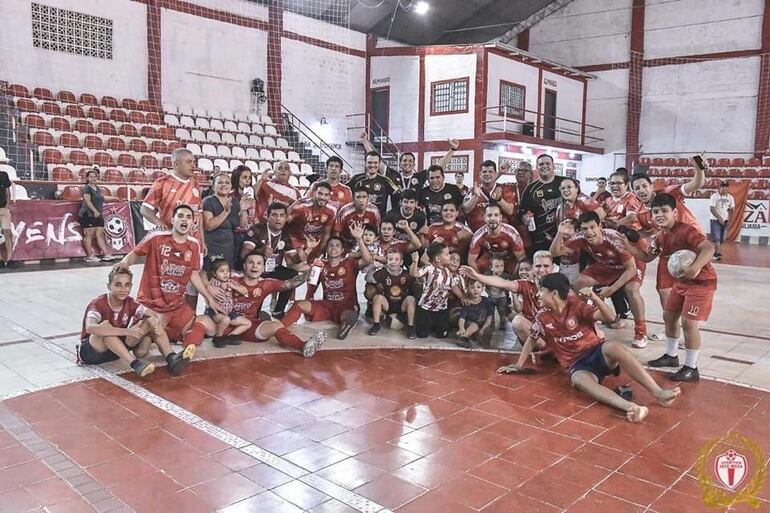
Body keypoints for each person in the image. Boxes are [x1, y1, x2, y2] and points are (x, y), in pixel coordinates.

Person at [497, 273, 681, 423]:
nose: (537, 295)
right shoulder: (542, 316)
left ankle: (659, 393)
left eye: (541, 290)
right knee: (578, 380)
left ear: (553, 293)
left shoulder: (575, 305)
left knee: (614, 347)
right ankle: (632, 408)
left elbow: (608, 317)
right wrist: (519, 364)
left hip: (596, 351)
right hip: (578, 364)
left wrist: (594, 297)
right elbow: (531, 339)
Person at [623, 193, 718, 382]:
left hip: (701, 282)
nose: (659, 215)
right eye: (655, 211)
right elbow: (647, 257)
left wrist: (695, 267)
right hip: (682, 282)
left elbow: (709, 248)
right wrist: (627, 246)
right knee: (669, 316)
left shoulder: (686, 230)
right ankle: (671, 356)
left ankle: (692, 367)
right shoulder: (660, 236)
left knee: (689, 323)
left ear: (674, 212)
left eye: (664, 211)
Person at [116, 204, 221, 347]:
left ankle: (177, 347)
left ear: (192, 223)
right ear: (172, 220)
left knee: (209, 326)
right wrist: (123, 264)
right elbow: (135, 254)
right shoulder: (156, 238)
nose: (184, 220)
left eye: (189, 217)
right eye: (180, 216)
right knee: (136, 345)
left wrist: (208, 297)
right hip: (150, 304)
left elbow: (193, 274)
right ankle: (153, 332)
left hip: (175, 306)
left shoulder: (194, 245)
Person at [550, 211, 648, 348]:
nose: (589, 232)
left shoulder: (614, 239)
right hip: (607, 265)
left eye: (592, 227)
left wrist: (611, 289)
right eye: (585, 229)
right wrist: (560, 233)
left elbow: (631, 269)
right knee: (579, 283)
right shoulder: (580, 238)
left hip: (630, 265)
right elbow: (554, 252)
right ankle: (588, 321)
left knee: (632, 290)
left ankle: (641, 332)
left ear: (599, 226)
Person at [78, 266, 195, 376]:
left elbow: (151, 314)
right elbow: (90, 327)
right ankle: (136, 364)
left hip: (114, 351)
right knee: (105, 327)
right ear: (109, 286)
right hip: (91, 352)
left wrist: (156, 323)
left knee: (150, 321)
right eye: (118, 285)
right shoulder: (98, 303)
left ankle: (171, 358)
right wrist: (127, 332)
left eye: (127, 285)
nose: (123, 289)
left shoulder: (130, 302)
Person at [233, 251, 326, 357]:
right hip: (227, 323)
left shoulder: (266, 284)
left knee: (276, 325)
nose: (255, 266)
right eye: (251, 262)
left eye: (259, 263)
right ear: (244, 266)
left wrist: (309, 273)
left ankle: (303, 346)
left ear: (264, 268)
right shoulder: (232, 281)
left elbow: (290, 283)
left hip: (248, 326)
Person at [294, 223, 373, 339]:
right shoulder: (320, 264)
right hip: (327, 305)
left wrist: (359, 239)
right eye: (331, 245)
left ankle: (345, 327)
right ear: (327, 249)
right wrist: (309, 249)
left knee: (348, 315)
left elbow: (368, 260)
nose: (334, 248)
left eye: (337, 246)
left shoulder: (349, 263)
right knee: (299, 304)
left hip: (346, 305)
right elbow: (299, 269)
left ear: (342, 250)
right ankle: (279, 327)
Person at [461, 250, 555, 346]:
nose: (542, 270)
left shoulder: (560, 286)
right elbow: (502, 282)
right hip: (535, 334)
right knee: (518, 321)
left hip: (554, 334)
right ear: (533, 268)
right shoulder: (525, 285)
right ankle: (545, 349)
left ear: (552, 267)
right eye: (538, 266)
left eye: (546, 266)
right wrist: (476, 276)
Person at [241, 202, 308, 319]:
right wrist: (261, 252)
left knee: (292, 274)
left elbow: (295, 260)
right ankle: (253, 312)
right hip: (256, 271)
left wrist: (303, 254)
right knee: (254, 316)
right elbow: (244, 254)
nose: (278, 219)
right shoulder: (257, 229)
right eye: (275, 215)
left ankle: (278, 310)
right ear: (267, 216)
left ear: (286, 218)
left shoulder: (285, 234)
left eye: (282, 215)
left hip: (273, 269)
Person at [141, 148, 205, 252]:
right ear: (176, 164)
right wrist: (159, 223)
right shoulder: (162, 183)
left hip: (193, 241)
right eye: (189, 162)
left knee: (195, 268)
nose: (193, 165)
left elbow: (199, 215)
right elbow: (145, 209)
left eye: (194, 162)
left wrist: (202, 240)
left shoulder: (196, 185)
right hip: (171, 241)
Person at [555, 177, 604, 284]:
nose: (565, 190)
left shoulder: (583, 200)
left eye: (569, 187)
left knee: (589, 280)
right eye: (562, 188)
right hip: (573, 248)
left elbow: (601, 213)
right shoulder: (561, 207)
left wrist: (589, 234)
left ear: (577, 189)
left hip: (588, 246)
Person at [410, 242, 464, 339]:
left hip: (441, 309)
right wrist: (415, 262)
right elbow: (415, 274)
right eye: (447, 254)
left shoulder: (447, 271)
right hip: (426, 308)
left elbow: (453, 285)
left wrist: (462, 297)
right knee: (422, 335)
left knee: (443, 335)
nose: (450, 256)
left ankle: (437, 326)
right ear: (438, 259)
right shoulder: (429, 268)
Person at [202, 173, 251, 269]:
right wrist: (225, 212)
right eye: (220, 182)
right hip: (212, 246)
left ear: (231, 186)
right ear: (214, 186)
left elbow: (242, 225)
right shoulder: (208, 201)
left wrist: (243, 209)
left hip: (229, 247)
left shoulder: (235, 201)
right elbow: (209, 225)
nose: (224, 185)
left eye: (227, 183)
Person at [518, 154, 565, 254]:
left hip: (565, 237)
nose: (544, 166)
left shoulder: (564, 183)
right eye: (541, 164)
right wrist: (525, 218)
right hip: (540, 239)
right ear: (537, 167)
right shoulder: (530, 189)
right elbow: (522, 212)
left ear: (554, 166)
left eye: (548, 163)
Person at [205, 256, 252, 348]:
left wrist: (233, 286)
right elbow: (208, 299)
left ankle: (229, 337)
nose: (226, 274)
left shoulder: (230, 282)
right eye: (222, 271)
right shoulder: (213, 283)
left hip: (230, 312)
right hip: (216, 312)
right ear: (214, 274)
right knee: (225, 319)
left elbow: (245, 291)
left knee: (247, 323)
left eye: (227, 271)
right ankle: (218, 337)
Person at [369, 250, 417, 339]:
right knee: (377, 297)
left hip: (401, 305)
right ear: (386, 261)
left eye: (396, 259)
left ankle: (411, 327)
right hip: (387, 304)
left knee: (411, 299)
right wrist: (372, 268)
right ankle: (376, 324)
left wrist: (415, 263)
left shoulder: (406, 274)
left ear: (401, 262)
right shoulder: (383, 272)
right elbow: (368, 278)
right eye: (390, 259)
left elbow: (416, 281)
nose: (393, 262)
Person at [468, 204, 526, 274]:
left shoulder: (512, 233)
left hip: (509, 259)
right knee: (479, 264)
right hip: (491, 259)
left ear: (501, 218)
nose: (493, 218)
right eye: (489, 215)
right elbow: (471, 261)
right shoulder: (478, 235)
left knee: (519, 265)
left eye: (496, 215)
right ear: (484, 218)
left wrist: (513, 278)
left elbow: (521, 258)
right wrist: (479, 278)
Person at [462, 160, 518, 232]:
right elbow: (466, 209)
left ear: (495, 174)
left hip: (502, 235)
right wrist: (475, 196)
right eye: (484, 172)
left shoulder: (503, 188)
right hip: (478, 235)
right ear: (480, 174)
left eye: (490, 172)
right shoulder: (473, 190)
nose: (487, 174)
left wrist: (499, 200)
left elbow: (510, 211)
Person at [287, 180, 337, 260]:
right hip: (295, 242)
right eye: (320, 193)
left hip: (314, 244)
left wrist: (320, 252)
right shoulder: (302, 206)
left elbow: (326, 233)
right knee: (297, 263)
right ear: (314, 194)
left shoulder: (331, 211)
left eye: (326, 195)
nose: (322, 197)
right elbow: (284, 222)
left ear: (329, 196)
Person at [79, 168, 120, 263]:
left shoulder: (97, 188)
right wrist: (94, 211)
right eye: (91, 177)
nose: (93, 178)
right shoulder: (86, 188)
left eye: (95, 177)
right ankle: (89, 255)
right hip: (87, 214)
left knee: (99, 234)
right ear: (87, 178)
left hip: (98, 214)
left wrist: (115, 198)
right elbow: (87, 201)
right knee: (88, 235)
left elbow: (102, 198)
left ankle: (106, 254)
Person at [347, 151, 399, 217]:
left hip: (379, 220)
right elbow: (345, 192)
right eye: (369, 162)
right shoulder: (356, 179)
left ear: (379, 164)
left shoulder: (385, 180)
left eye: (375, 163)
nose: (372, 165)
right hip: (359, 219)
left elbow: (398, 196)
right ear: (365, 164)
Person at [456, 279, 494, 348]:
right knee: (474, 326)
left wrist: (483, 328)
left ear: (483, 288)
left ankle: (480, 339)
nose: (475, 290)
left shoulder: (486, 301)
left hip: (482, 325)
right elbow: (462, 319)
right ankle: (463, 337)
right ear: (467, 289)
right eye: (472, 287)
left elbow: (489, 317)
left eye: (478, 287)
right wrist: (461, 328)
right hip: (470, 324)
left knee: (487, 331)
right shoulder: (467, 303)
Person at [484, 256, 513, 331]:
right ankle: (491, 323)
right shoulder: (487, 276)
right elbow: (484, 286)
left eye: (502, 266)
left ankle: (502, 324)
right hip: (491, 297)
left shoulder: (505, 276)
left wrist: (507, 296)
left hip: (501, 298)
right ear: (491, 267)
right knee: (490, 312)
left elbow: (509, 287)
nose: (500, 268)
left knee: (502, 312)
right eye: (497, 266)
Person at [708, 181, 734, 261]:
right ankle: (717, 254)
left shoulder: (730, 197)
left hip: (725, 220)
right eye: (723, 186)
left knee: (723, 238)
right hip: (715, 220)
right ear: (720, 187)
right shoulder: (714, 196)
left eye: (726, 186)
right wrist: (719, 218)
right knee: (717, 238)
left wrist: (730, 219)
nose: (724, 188)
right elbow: (712, 209)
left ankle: (716, 251)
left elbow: (732, 208)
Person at [0, 165, 13, 268]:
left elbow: (7, 192)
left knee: (7, 233)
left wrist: (7, 206)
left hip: (3, 209)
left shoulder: (3, 175)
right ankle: (0, 260)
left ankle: (9, 259)